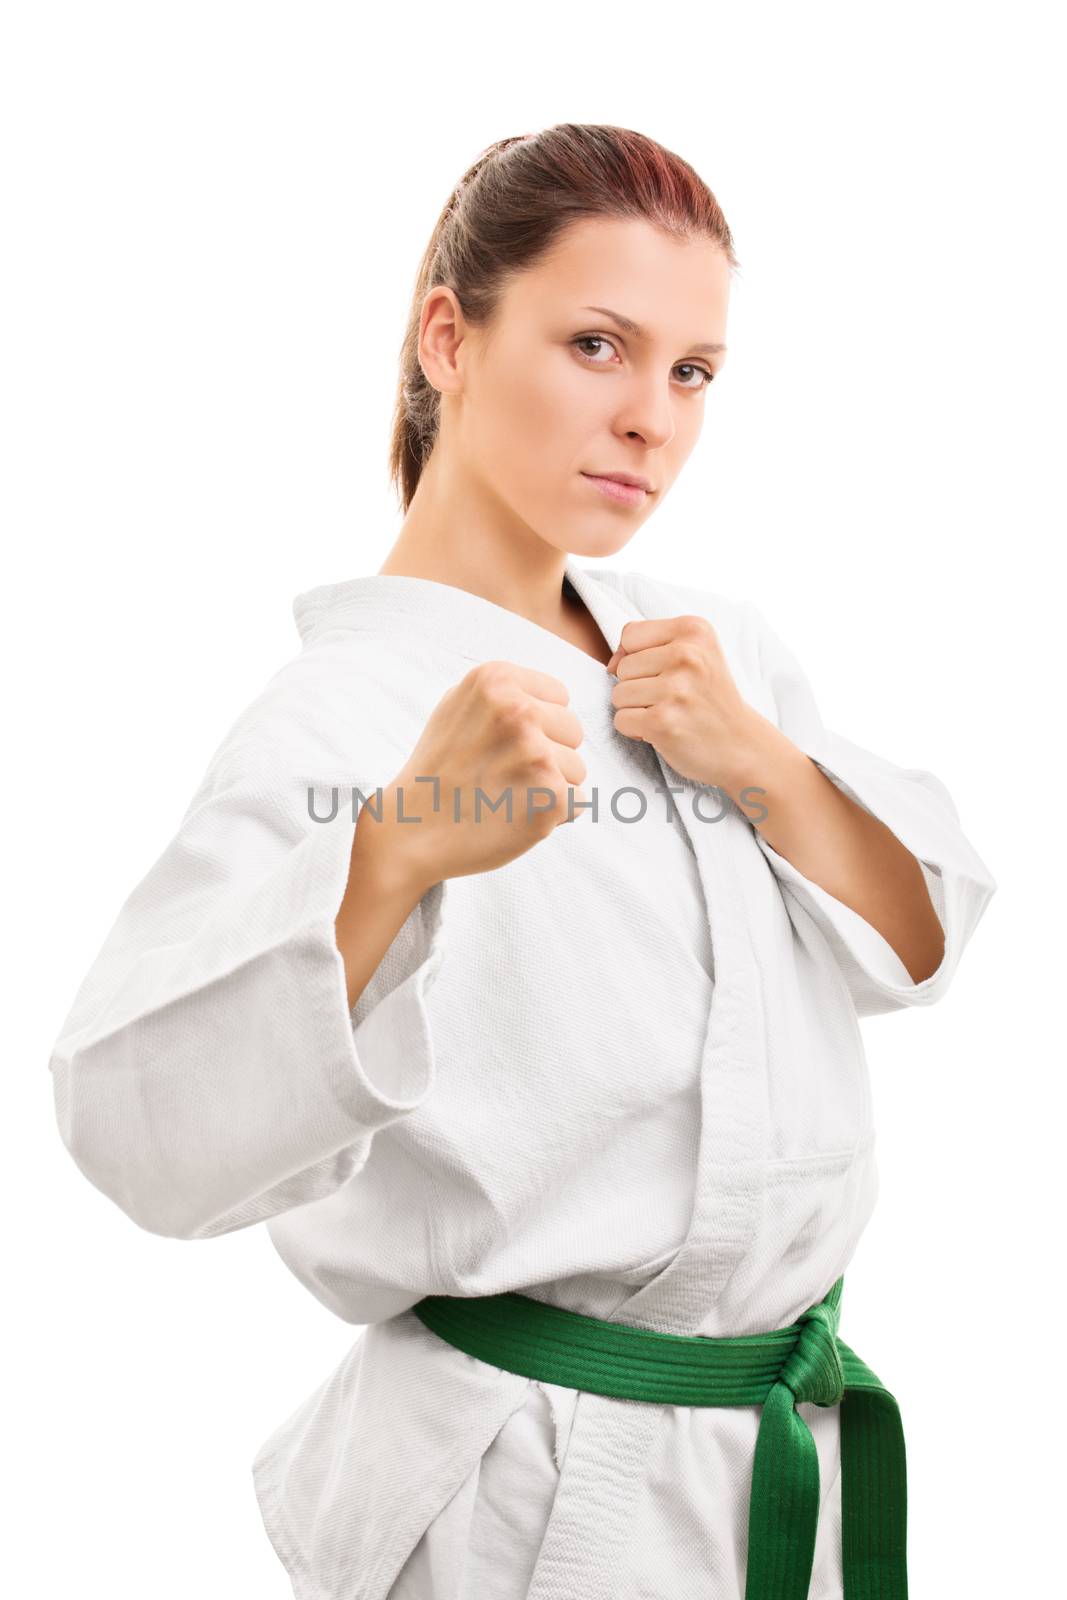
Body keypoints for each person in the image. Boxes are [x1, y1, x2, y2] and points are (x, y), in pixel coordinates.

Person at [48, 123, 997, 1600]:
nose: (652, 422)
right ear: (451, 335)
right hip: (530, 1499)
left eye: (693, 373)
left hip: (762, 1460)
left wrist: (764, 765)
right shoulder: (344, 717)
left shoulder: (711, 652)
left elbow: (926, 933)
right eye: (599, 346)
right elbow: (132, 1117)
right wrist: (394, 855)